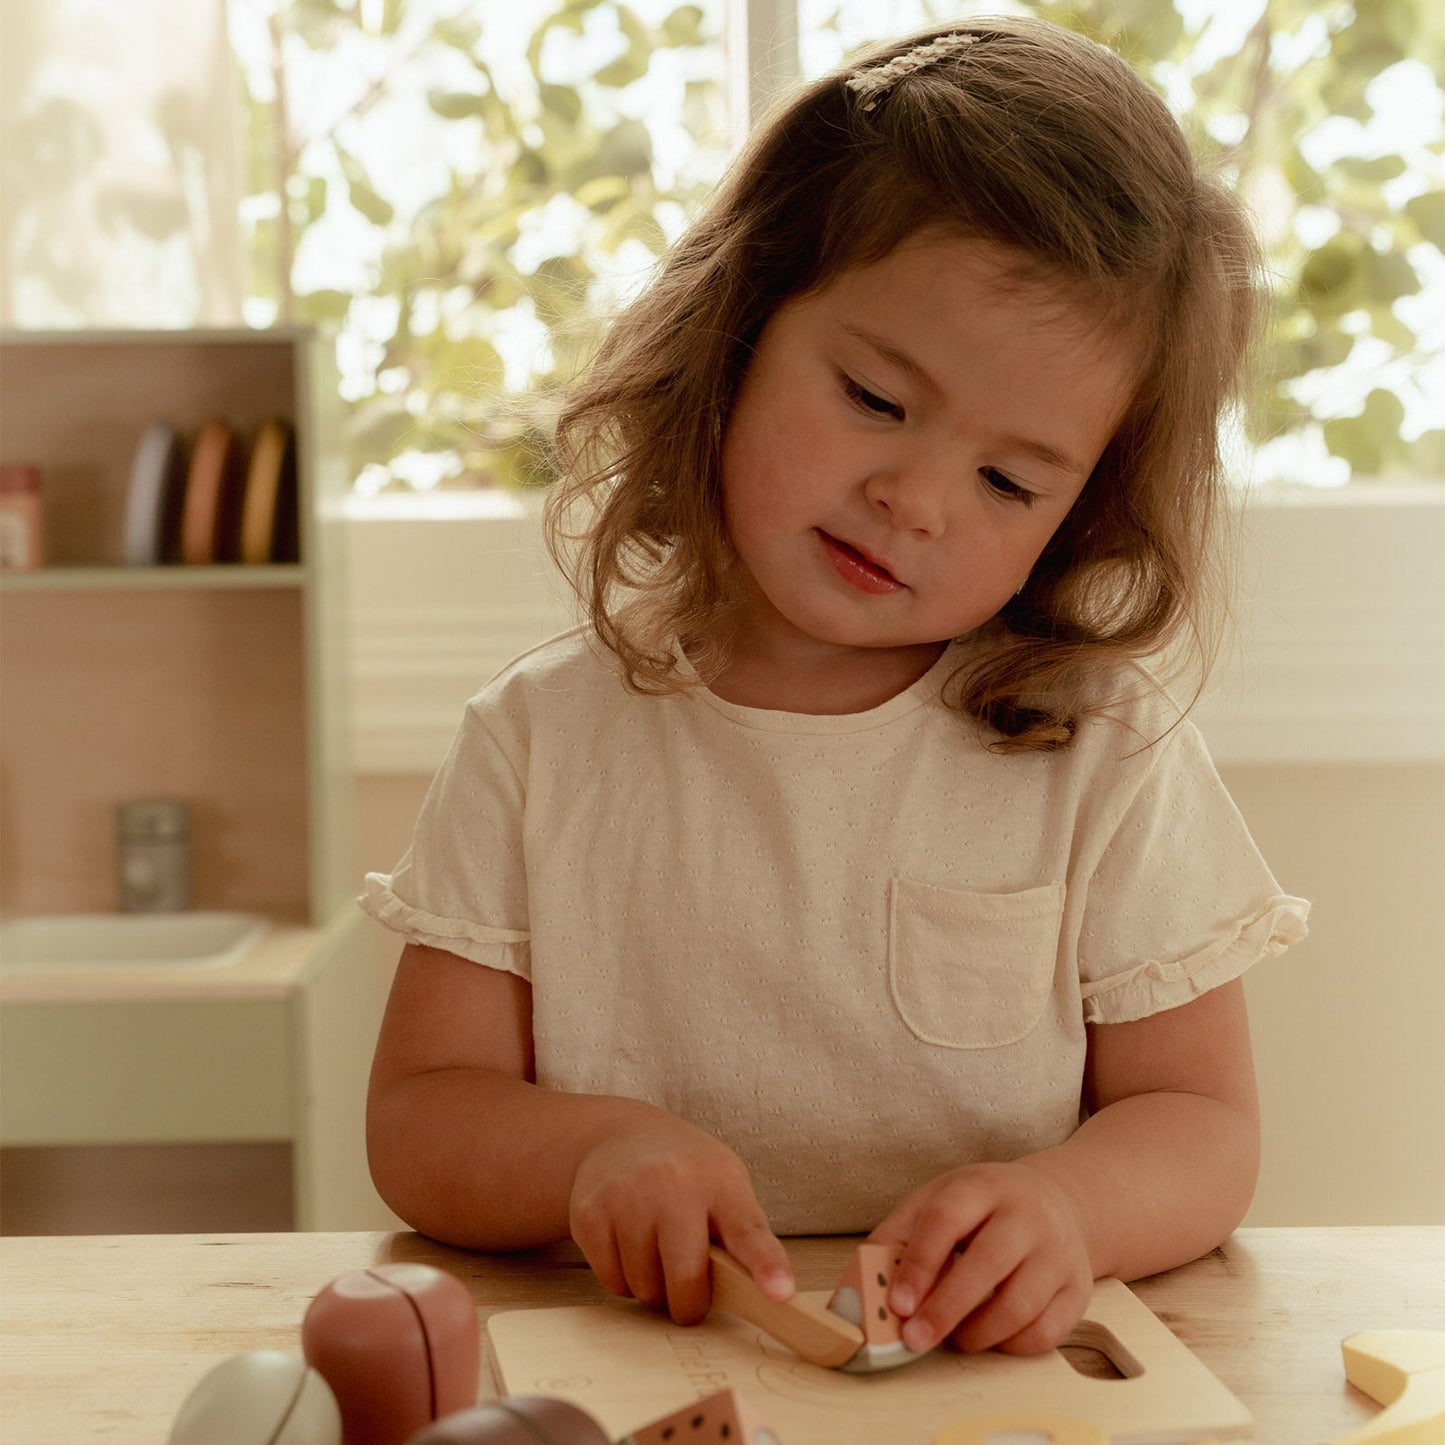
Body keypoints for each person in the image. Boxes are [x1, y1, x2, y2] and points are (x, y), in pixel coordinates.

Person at [362, 16, 1309, 1359]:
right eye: (874, 396)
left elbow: (1202, 1126)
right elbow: (422, 1115)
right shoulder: (537, 743)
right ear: (738, 325)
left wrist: (1069, 1209)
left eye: (1006, 481)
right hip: (631, 1364)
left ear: (1079, 513)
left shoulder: (1105, 755)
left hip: (987, 1381)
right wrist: (591, 1154)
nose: (913, 500)